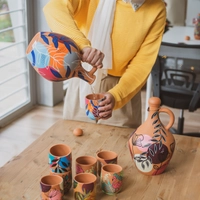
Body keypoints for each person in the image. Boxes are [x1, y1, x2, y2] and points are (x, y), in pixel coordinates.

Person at [43, 0, 166, 128]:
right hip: (82, 81)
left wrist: (116, 96)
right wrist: (81, 45)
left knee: (118, 144)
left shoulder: (157, 8)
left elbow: (141, 64)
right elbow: (54, 8)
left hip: (123, 88)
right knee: (75, 142)